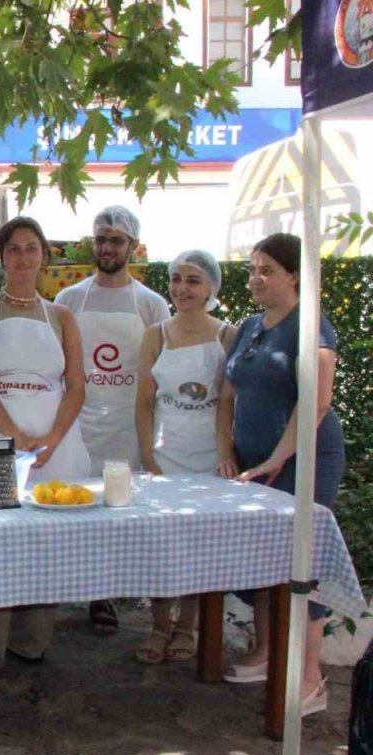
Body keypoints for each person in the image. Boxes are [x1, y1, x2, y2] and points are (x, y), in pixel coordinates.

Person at [217, 232, 345, 717]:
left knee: (302, 566)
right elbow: (226, 395)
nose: (255, 278)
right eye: (252, 268)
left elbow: (317, 400)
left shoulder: (311, 326)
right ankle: (268, 654)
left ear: (295, 275)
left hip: (304, 461)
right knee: (265, 559)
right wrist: (226, 448)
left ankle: (310, 679)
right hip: (254, 465)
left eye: (266, 269)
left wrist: (279, 457)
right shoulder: (250, 326)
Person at [0, 217, 90, 674]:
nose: (22, 256)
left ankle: (34, 640)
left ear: (44, 256)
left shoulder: (63, 317)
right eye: (13, 248)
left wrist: (51, 439)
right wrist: (13, 438)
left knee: (47, 536)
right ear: (0, 256)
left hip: (57, 442)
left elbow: (76, 385)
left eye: (31, 247)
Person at [54, 205, 170, 637]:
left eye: (116, 241)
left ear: (133, 247)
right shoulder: (69, 299)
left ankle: (110, 589)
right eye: (101, 239)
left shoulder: (151, 304)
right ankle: (88, 592)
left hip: (128, 423)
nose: (107, 247)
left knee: (120, 512)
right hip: (79, 423)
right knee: (76, 508)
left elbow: (161, 368)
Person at [133, 250, 236, 664]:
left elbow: (229, 402)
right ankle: (158, 625)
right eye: (176, 279)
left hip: (210, 456)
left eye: (193, 280)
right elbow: (143, 404)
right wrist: (149, 459)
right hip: (165, 453)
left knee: (199, 546)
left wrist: (225, 454)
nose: (182, 288)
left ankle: (186, 626)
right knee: (160, 546)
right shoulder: (155, 334)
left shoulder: (226, 335)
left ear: (211, 286)